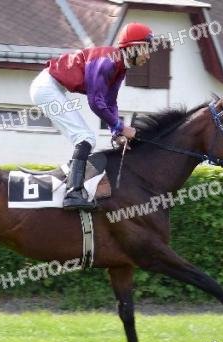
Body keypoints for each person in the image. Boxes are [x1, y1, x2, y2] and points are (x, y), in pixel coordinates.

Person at [29, 22, 154, 210]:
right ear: (133, 47)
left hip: (51, 87)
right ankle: (73, 193)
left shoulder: (120, 65)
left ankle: (73, 187)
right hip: (46, 88)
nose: (148, 55)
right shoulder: (108, 61)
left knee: (85, 138)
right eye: (146, 49)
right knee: (85, 137)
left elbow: (110, 102)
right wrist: (122, 128)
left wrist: (116, 132)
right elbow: (95, 102)